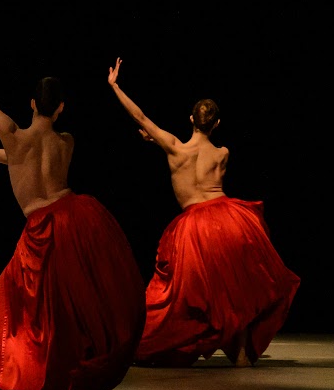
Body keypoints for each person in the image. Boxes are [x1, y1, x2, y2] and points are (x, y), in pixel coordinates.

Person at [0, 17, 142, 390]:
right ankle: (69, 372)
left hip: (41, 228)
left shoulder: (14, 136)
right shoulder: (67, 141)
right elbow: (24, 162)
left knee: (6, 304)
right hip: (74, 220)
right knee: (68, 307)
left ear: (31, 103)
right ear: (60, 108)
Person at [106, 58, 298, 367]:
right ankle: (240, 353)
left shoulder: (175, 148)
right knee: (235, 286)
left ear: (190, 119)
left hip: (196, 226)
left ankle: (178, 341)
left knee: (184, 292)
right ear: (217, 124)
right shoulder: (223, 153)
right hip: (231, 220)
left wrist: (115, 86)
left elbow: (140, 116)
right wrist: (158, 142)